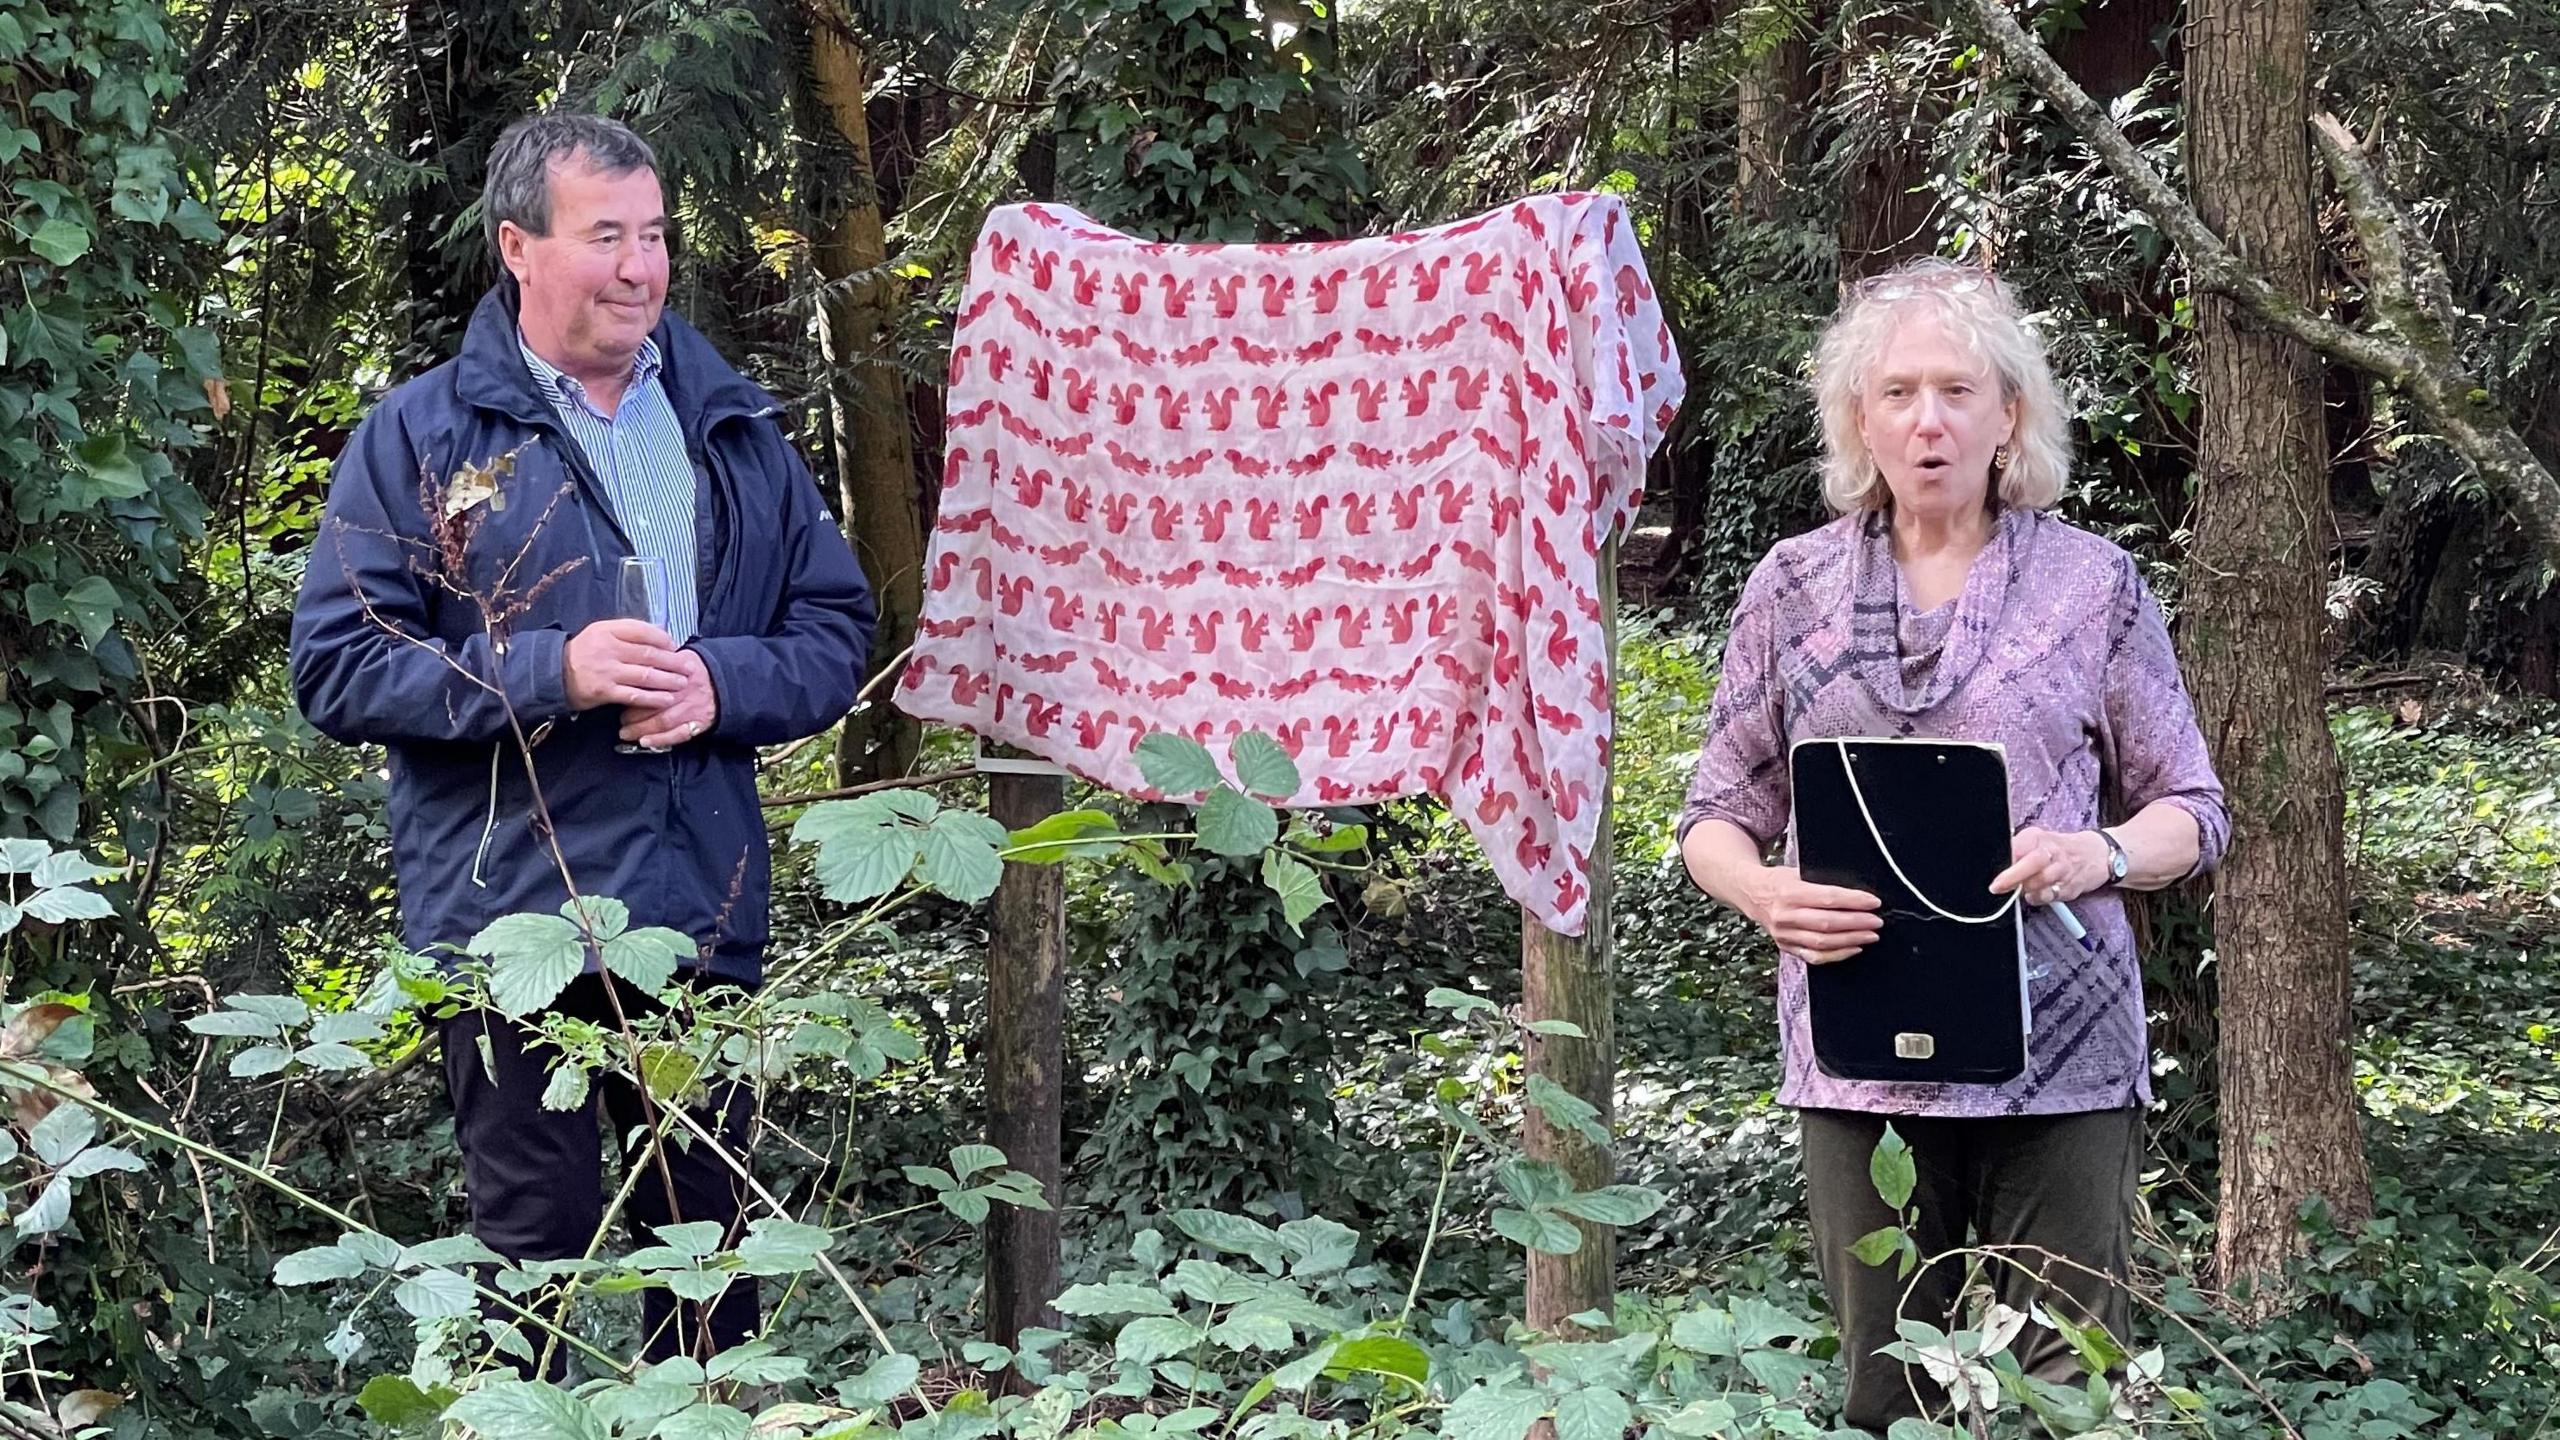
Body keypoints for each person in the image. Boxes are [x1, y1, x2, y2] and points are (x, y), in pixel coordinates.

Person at [288, 113, 876, 1365]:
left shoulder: (729, 428)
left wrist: (723, 682)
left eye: (653, 235)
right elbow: (338, 664)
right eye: (604, 235)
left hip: (696, 912)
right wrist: (548, 668)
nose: (639, 267)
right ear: (519, 248)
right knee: (530, 1271)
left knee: (709, 1270)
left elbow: (834, 625)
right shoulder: (421, 437)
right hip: (511, 929)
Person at [1675, 259, 2228, 1431]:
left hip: (2062, 1055)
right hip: (1855, 1056)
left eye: (1957, 391)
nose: (1928, 421)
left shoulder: (2092, 583)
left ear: (2007, 414)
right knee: (1889, 1397)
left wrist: (2100, 856)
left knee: (2061, 1392)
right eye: (1898, 393)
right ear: (1857, 418)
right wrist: (1764, 895)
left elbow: (2192, 807)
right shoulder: (1792, 586)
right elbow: (1714, 815)